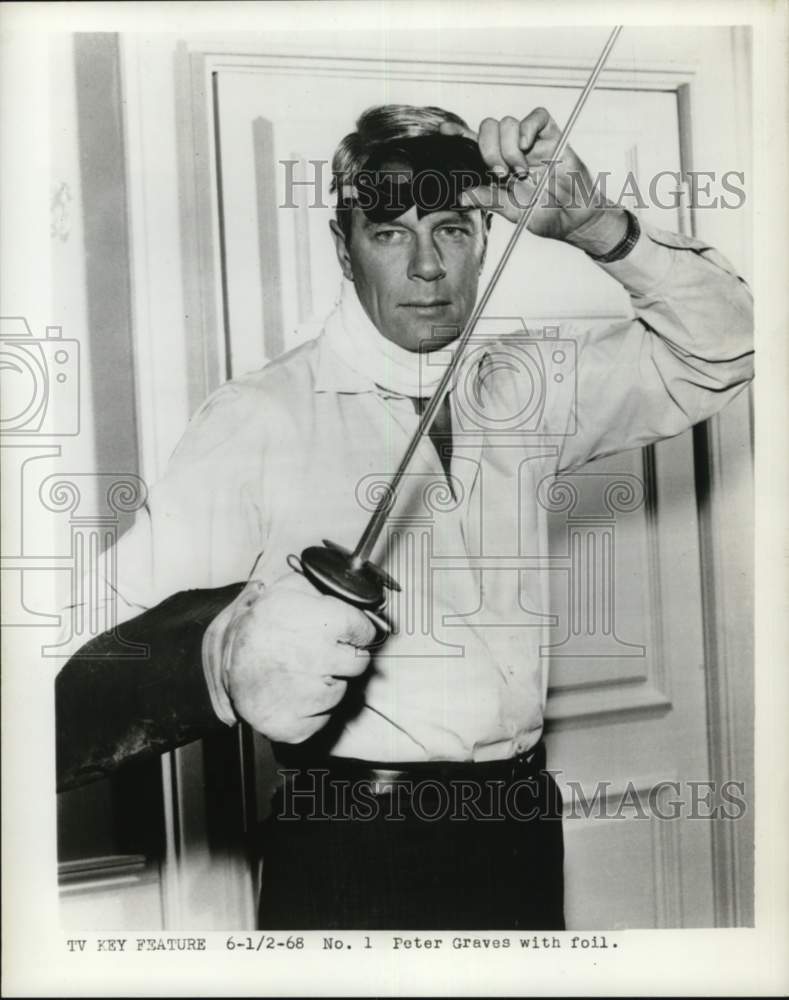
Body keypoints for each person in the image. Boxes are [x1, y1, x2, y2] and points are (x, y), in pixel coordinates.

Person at [56, 104, 754, 930]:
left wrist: (599, 227)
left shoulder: (528, 383)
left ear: (485, 239)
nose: (427, 266)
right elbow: (77, 667)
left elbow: (728, 348)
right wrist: (218, 654)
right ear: (342, 247)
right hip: (354, 841)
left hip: (518, 822)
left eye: (452, 229)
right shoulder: (261, 417)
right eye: (390, 232)